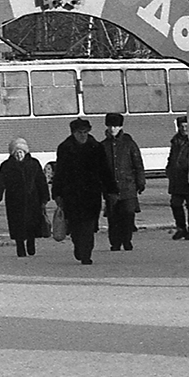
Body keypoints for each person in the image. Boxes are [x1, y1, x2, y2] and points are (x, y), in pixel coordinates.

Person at [51, 117, 111, 265]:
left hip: (91, 194)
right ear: (73, 133)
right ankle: (79, 247)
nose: (83, 135)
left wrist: (111, 190)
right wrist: (57, 193)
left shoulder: (96, 147)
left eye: (85, 132)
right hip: (72, 195)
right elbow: (59, 173)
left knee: (89, 227)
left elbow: (105, 171)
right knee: (76, 226)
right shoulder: (65, 148)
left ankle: (86, 254)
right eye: (80, 132)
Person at [0, 137, 49, 258]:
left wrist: (44, 197)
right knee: (17, 225)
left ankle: (31, 243)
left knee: (32, 224)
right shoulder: (6, 166)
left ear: (25, 152)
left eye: (21, 152)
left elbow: (41, 181)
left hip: (33, 200)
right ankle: (20, 247)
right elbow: (0, 182)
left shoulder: (34, 164)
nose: (19, 154)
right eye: (16, 152)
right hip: (14, 201)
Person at [100, 112, 145, 251]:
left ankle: (127, 240)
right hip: (111, 188)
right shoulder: (103, 146)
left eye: (115, 126)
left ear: (120, 127)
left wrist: (140, 182)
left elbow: (138, 164)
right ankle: (115, 242)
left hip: (128, 186)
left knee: (127, 215)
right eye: (110, 126)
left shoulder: (129, 144)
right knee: (113, 217)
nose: (112, 129)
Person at [167, 116, 189, 239]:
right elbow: (172, 157)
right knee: (175, 204)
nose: (184, 129)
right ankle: (181, 227)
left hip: (188, 178)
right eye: (181, 126)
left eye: (186, 126)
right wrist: (169, 170)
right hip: (176, 178)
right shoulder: (175, 141)